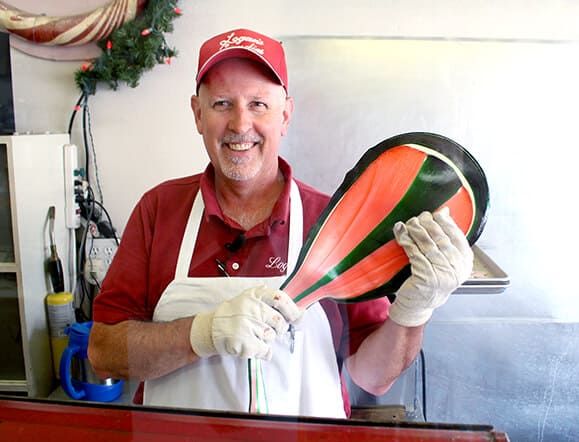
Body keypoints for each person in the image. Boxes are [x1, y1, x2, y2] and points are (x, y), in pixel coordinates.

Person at [88, 27, 474, 418]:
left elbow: (373, 377)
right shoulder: (159, 211)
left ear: (285, 114)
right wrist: (202, 334)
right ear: (197, 114)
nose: (240, 124)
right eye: (222, 103)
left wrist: (413, 310)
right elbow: (104, 353)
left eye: (258, 104)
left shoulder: (336, 222)